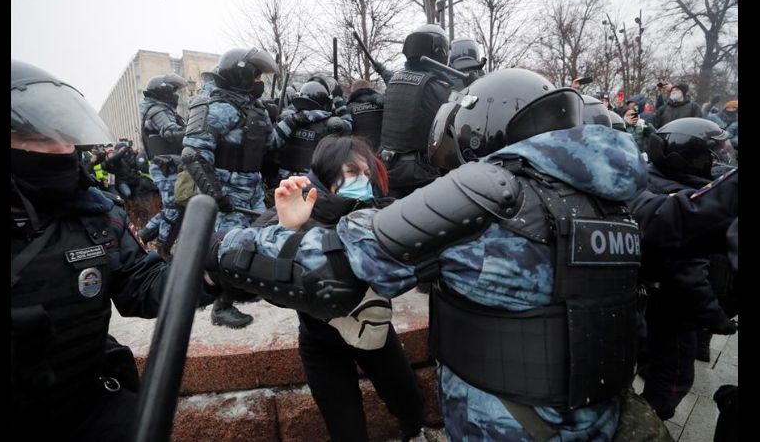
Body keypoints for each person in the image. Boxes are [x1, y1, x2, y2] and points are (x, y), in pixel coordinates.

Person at [210, 69, 659, 440]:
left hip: (512, 424)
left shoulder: (488, 190)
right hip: (604, 416)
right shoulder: (611, 202)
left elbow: (335, 270)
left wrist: (221, 248)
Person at [10, 59, 212, 441]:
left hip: (88, 407)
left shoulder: (96, 214)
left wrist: (211, 269)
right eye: (39, 138)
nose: (62, 149)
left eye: (65, 137)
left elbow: (142, 284)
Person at [251, 135, 424, 441]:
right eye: (353, 173)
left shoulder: (380, 209)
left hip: (373, 331)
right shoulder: (297, 206)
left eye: (367, 174)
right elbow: (252, 262)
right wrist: (285, 229)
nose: (364, 181)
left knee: (410, 405)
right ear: (328, 173)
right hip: (320, 339)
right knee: (345, 428)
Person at [182, 46, 323, 328]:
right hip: (226, 191)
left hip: (252, 188)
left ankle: (242, 289)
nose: (260, 82)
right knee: (227, 248)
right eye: (256, 76)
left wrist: (291, 121)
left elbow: (269, 144)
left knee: (257, 238)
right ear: (241, 74)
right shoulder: (217, 106)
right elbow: (193, 153)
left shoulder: (252, 107)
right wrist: (216, 195)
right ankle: (221, 305)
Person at [631, 117, 738, 421]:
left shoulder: (654, 182)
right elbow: (690, 274)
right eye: (715, 153)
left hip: (650, 302)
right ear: (686, 157)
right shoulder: (679, 209)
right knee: (674, 374)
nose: (722, 158)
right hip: (674, 309)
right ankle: (650, 417)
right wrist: (716, 318)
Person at [378, 24, 453, 198]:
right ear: (439, 51)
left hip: (387, 170)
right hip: (420, 178)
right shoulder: (438, 88)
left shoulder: (394, 81)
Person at [137, 73, 188, 252]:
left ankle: (143, 237)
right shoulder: (158, 110)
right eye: (173, 90)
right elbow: (171, 133)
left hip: (170, 165)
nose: (175, 95)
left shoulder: (159, 109)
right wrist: (196, 131)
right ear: (163, 91)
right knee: (173, 208)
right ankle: (161, 249)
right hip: (166, 167)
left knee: (175, 208)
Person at [275, 75, 352, 183]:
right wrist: (338, 99)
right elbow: (348, 124)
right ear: (325, 102)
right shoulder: (330, 125)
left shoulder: (289, 121)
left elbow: (272, 144)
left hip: (285, 183)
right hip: (313, 184)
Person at [347, 79, 385, 151]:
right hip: (383, 153)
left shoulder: (349, 108)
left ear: (353, 91)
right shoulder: (382, 105)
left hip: (361, 153)